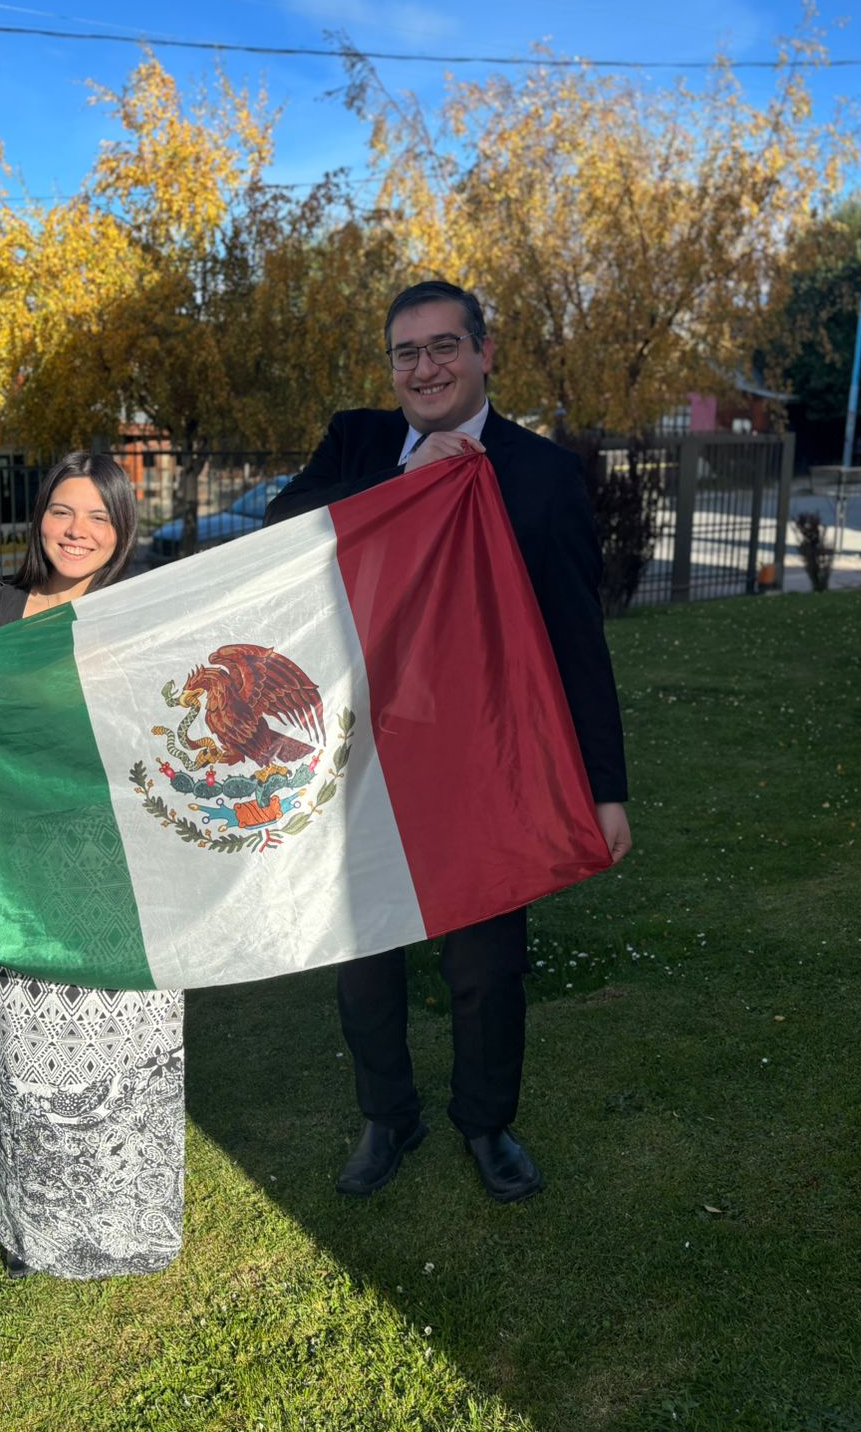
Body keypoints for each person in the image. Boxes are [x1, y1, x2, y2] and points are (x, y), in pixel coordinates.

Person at [265, 280, 631, 1205]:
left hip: (486, 758)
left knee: (487, 962)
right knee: (362, 960)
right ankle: (388, 1115)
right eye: (407, 353)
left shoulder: (542, 474)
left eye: (443, 347)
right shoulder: (357, 442)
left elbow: (577, 637)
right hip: (361, 751)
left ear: (483, 352)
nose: (424, 368)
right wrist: (407, 481)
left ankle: (487, 1122)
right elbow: (278, 532)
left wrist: (604, 789)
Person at [0, 452, 185, 1279]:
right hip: (14, 868)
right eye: (64, 511)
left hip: (117, 869)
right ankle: (34, 1224)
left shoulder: (138, 613)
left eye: (100, 516)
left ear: (122, 530)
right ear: (40, 518)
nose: (78, 531)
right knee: (26, 1047)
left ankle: (128, 1219)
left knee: (123, 1047)